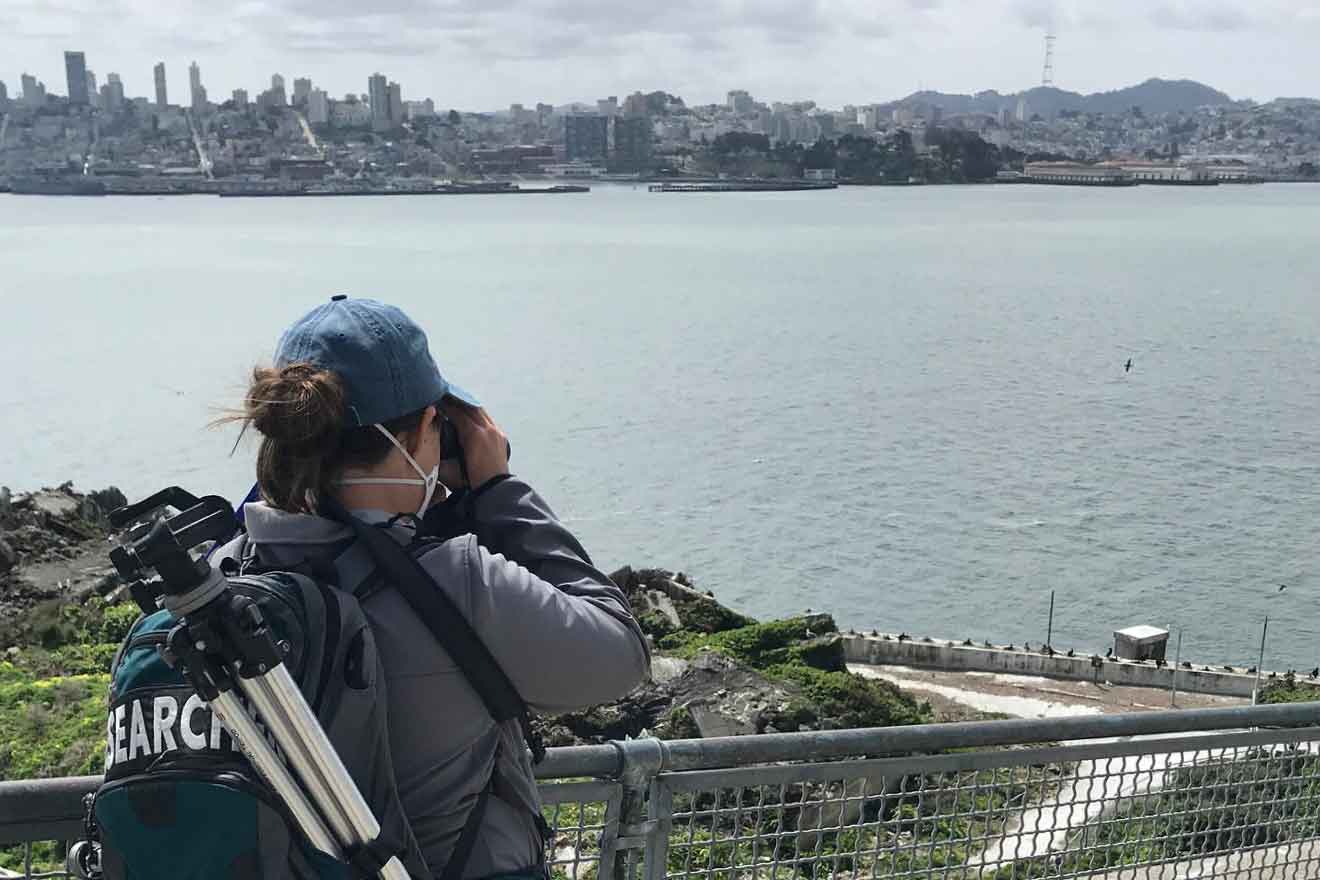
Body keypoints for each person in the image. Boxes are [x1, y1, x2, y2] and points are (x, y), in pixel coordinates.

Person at [225, 295, 651, 880]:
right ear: (424, 429)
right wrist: (498, 490)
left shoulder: (227, 574)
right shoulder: (458, 581)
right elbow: (619, 655)